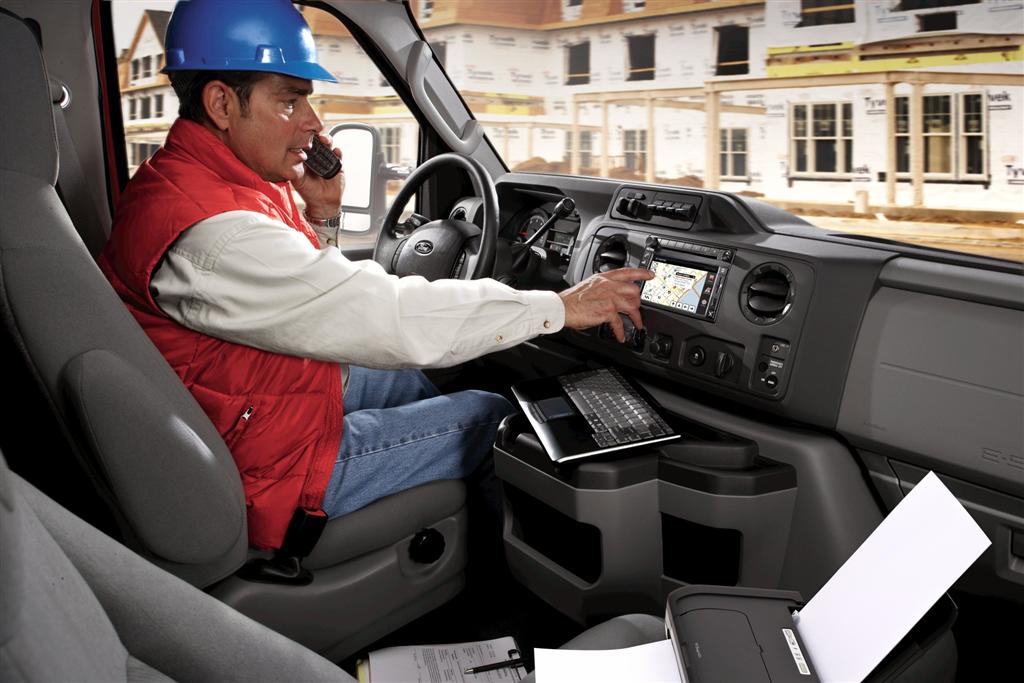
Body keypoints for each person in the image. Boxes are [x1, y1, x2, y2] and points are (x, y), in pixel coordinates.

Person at [99, 0, 652, 551]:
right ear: (221, 103)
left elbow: (302, 299)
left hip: (247, 405)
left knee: (402, 380)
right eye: (290, 101)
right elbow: (390, 317)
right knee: (491, 415)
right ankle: (497, 588)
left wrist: (322, 214)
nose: (313, 122)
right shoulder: (218, 234)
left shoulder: (202, 183)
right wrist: (559, 307)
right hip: (270, 471)